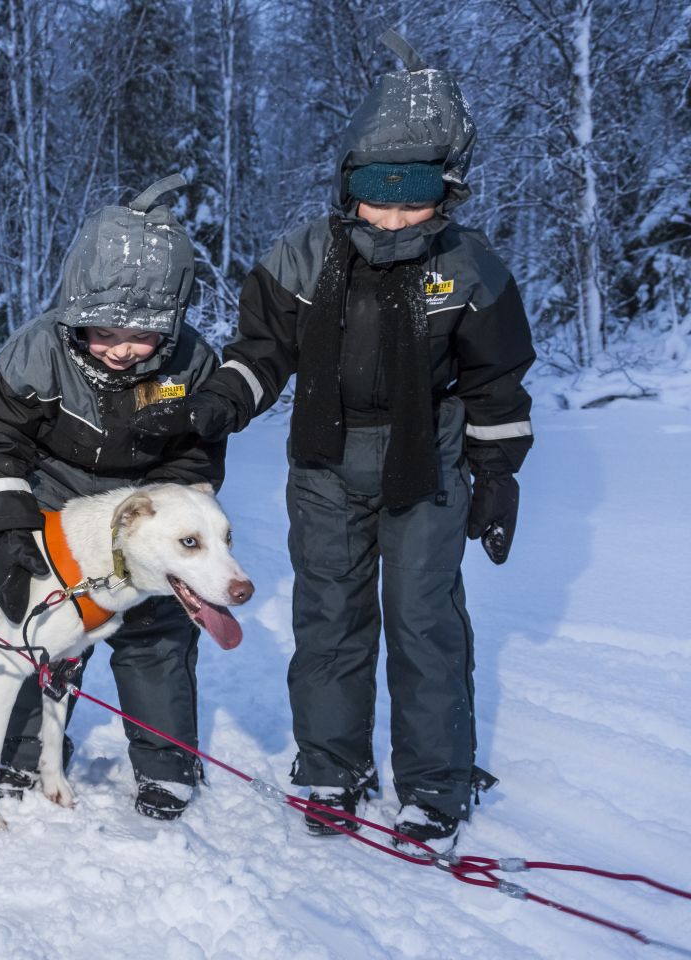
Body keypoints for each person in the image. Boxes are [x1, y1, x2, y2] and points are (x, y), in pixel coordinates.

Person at [167, 33, 534, 853]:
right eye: (379, 200)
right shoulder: (301, 258)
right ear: (348, 189)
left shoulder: (468, 267)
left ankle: (436, 783)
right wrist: (223, 399)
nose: (395, 219)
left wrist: (498, 475)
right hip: (326, 462)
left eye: (415, 203)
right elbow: (263, 353)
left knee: (422, 619)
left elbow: (495, 383)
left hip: (427, 460)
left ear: (445, 197)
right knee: (329, 616)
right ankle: (333, 766)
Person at [0, 175, 228, 821]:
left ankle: (166, 763)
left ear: (172, 323)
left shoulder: (191, 364)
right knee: (39, 623)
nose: (120, 350)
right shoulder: (37, 350)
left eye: (140, 337)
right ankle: (25, 752)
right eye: (103, 333)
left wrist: (175, 509)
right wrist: (7, 527)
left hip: (148, 501)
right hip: (55, 495)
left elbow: (198, 454)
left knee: (155, 632)